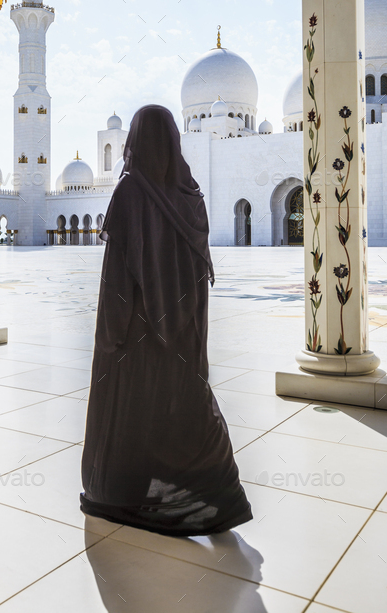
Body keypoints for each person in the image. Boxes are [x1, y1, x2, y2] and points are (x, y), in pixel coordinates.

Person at [80, 104, 253, 536]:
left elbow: (117, 278)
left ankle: (127, 493)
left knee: (136, 413)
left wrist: (110, 337)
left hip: (137, 336)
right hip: (182, 333)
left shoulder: (130, 193)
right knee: (186, 410)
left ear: (134, 141)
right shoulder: (191, 196)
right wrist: (186, 327)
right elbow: (197, 276)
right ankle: (216, 497)